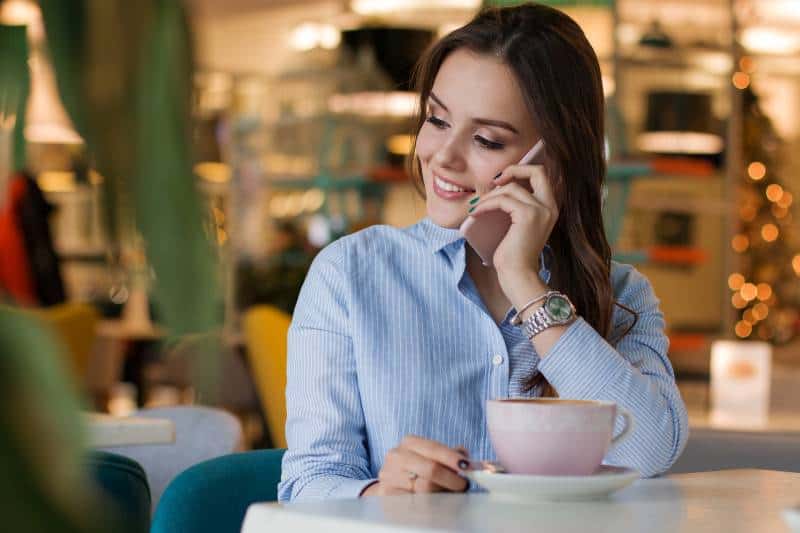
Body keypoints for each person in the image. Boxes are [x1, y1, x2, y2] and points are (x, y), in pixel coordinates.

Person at [278, 2, 688, 501]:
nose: (442, 157)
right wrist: (380, 495)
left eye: (486, 140)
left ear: (553, 161)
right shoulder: (350, 274)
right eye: (437, 119)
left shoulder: (621, 293)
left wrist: (524, 283)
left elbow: (649, 451)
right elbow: (308, 483)